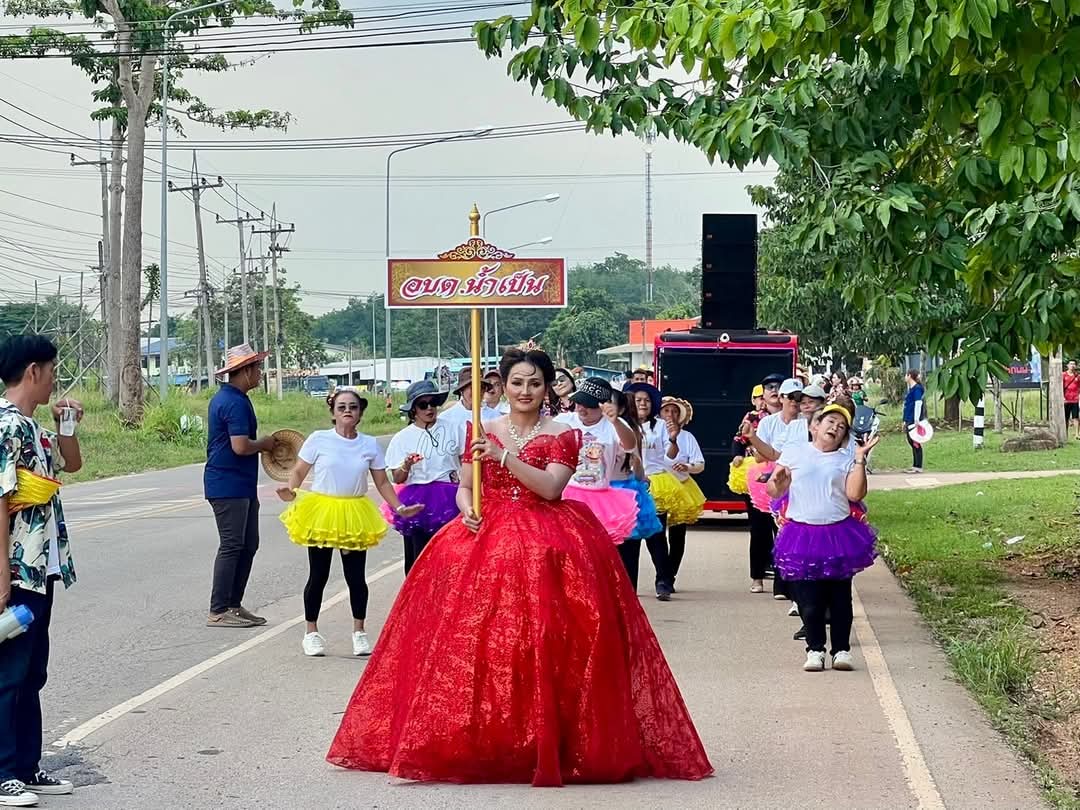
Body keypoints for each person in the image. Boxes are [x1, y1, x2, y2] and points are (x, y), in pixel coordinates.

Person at [326, 348, 713, 786]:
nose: (525, 391)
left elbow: (550, 488)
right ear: (504, 387)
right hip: (484, 536)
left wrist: (501, 456)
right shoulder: (482, 427)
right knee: (476, 640)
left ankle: (548, 738)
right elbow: (466, 486)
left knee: (547, 639)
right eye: (516, 383)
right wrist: (467, 507)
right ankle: (485, 738)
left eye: (534, 383)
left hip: (548, 538)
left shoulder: (563, 433)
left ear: (547, 387)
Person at [278, 388, 421, 657]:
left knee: (355, 577)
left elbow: (381, 481)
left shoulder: (369, 444)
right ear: (333, 411)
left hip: (354, 511)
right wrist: (291, 490)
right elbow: (299, 470)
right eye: (341, 406)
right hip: (323, 511)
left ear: (360, 413)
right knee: (318, 575)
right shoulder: (319, 440)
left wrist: (400, 507)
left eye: (353, 407)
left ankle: (359, 632)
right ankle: (311, 632)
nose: (347, 411)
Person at [0, 336, 81, 805]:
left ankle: (26, 766)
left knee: (32, 671)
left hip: (40, 565)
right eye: (51, 370)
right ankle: (3, 770)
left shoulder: (33, 427)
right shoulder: (7, 427)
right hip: (16, 568)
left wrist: (66, 423)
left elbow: (71, 462)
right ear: (33, 372)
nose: (55, 379)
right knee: (8, 673)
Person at [767, 404, 879, 672]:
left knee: (840, 598)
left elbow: (855, 495)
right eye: (830, 421)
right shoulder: (795, 452)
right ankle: (815, 649)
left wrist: (860, 458)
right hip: (801, 533)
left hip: (837, 533)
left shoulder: (846, 458)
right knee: (810, 600)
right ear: (814, 426)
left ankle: (841, 650)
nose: (835, 428)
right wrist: (779, 484)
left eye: (841, 427)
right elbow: (774, 488)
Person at [204, 343, 276, 629]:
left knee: (248, 544)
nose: (260, 373)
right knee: (233, 545)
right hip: (227, 483)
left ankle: (233, 604)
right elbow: (241, 446)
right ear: (244, 371)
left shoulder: (235, 398)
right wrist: (266, 445)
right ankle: (219, 609)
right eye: (256, 368)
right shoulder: (232, 402)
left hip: (241, 484)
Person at [384, 380, 461, 574]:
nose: (429, 409)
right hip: (418, 498)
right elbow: (398, 478)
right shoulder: (402, 438)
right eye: (423, 405)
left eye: (432, 403)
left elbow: (466, 460)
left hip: (450, 496)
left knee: (451, 556)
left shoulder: (453, 428)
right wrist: (407, 465)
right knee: (417, 558)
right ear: (413, 410)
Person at [554, 378, 640, 543]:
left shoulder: (613, 425)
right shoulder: (564, 420)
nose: (581, 408)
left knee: (597, 549)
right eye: (579, 402)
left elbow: (630, 446)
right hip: (566, 494)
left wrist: (615, 422)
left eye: (588, 404)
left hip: (599, 499)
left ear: (604, 405)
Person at [744, 377, 806, 601]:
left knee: (786, 531)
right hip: (766, 477)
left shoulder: (806, 422)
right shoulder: (769, 423)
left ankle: (784, 582)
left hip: (794, 479)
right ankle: (757, 576)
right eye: (791, 397)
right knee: (760, 531)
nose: (796, 402)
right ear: (781, 398)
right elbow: (762, 454)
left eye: (800, 398)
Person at [645, 396, 706, 599]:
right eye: (666, 411)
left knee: (678, 537)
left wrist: (687, 467)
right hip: (658, 488)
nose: (670, 415)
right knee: (658, 533)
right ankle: (663, 576)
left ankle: (669, 574)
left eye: (674, 412)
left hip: (682, 488)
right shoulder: (651, 433)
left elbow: (699, 464)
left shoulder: (687, 437)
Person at [609, 390, 662, 589]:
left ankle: (629, 593)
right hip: (593, 493)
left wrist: (641, 478)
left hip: (623, 492)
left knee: (627, 548)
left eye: (608, 402)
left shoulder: (629, 430)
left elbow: (637, 462)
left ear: (621, 408)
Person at [731, 384, 769, 592]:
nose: (763, 400)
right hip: (755, 473)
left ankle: (784, 580)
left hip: (779, 473)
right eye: (759, 397)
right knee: (758, 526)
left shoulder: (786, 418)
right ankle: (757, 576)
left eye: (766, 396)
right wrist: (737, 455)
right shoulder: (750, 418)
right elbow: (738, 440)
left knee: (781, 527)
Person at [439, 367, 502, 444]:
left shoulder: (495, 417)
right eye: (473, 388)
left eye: (481, 387)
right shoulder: (445, 418)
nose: (478, 391)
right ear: (462, 390)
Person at [903, 370, 926, 473]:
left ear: (909, 376)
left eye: (906, 375)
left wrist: (916, 419)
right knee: (911, 441)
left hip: (914, 419)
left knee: (915, 442)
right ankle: (915, 465)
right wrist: (905, 420)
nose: (905, 377)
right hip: (909, 418)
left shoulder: (917, 389)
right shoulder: (911, 389)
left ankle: (918, 466)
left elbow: (918, 404)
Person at [1064, 361, 1080, 440]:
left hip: (1075, 400)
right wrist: (1062, 397)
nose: (1072, 366)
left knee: (1076, 417)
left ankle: (1077, 434)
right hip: (1066, 400)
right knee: (1066, 418)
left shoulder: (1077, 376)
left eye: (1074, 364)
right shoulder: (1063, 375)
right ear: (1067, 365)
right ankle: (1065, 434)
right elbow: (1060, 386)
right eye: (1071, 364)